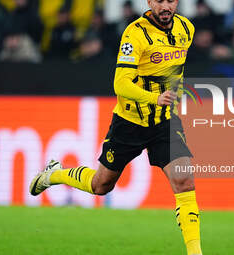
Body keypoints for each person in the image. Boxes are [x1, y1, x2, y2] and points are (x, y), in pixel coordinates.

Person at [29, 1, 202, 255]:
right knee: (101, 185)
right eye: (160, 1)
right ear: (150, 3)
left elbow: (175, 69)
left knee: (184, 181)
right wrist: (154, 97)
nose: (166, 6)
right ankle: (54, 174)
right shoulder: (135, 33)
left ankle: (195, 253)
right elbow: (120, 84)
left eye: (171, 0)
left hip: (165, 121)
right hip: (129, 123)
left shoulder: (186, 29)